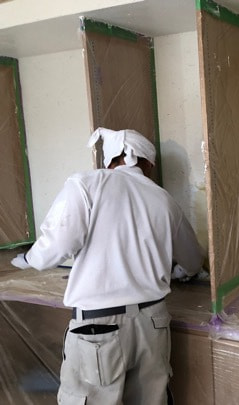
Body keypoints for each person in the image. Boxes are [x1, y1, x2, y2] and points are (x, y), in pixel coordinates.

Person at [11, 127, 203, 404]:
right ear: (148, 164)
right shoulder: (164, 199)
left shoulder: (86, 184)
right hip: (153, 323)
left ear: (110, 159)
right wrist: (178, 273)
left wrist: (29, 259)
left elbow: (56, 246)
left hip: (98, 328)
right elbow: (193, 260)